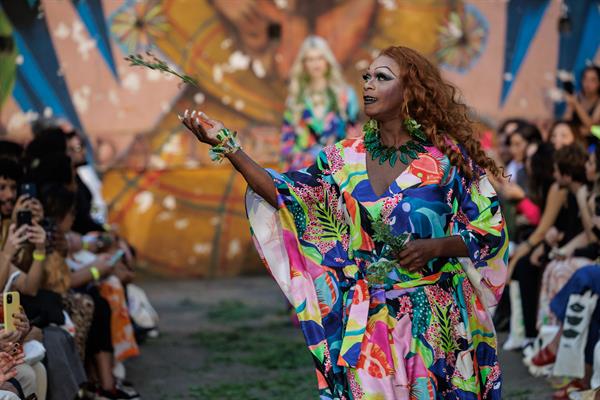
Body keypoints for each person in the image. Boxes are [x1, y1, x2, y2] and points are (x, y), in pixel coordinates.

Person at [181, 45, 508, 399]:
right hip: (368, 323)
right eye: (366, 77)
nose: (368, 84)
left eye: (381, 77)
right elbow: (284, 196)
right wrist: (228, 146)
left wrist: (438, 246)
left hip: (436, 325)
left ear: (410, 90)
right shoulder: (342, 159)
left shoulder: (446, 159)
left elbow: (489, 230)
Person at [281, 35, 359, 171]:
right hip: (303, 173)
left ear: (327, 61)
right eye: (310, 59)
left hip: (338, 172)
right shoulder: (295, 99)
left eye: (320, 58)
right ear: (303, 64)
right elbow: (287, 143)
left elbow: (355, 137)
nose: (315, 63)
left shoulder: (345, 96)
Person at [564, 66, 600, 141]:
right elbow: (566, 122)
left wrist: (576, 104)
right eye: (585, 79)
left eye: (592, 80)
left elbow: (592, 126)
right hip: (574, 139)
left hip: (593, 142)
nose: (588, 83)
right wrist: (570, 105)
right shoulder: (576, 97)